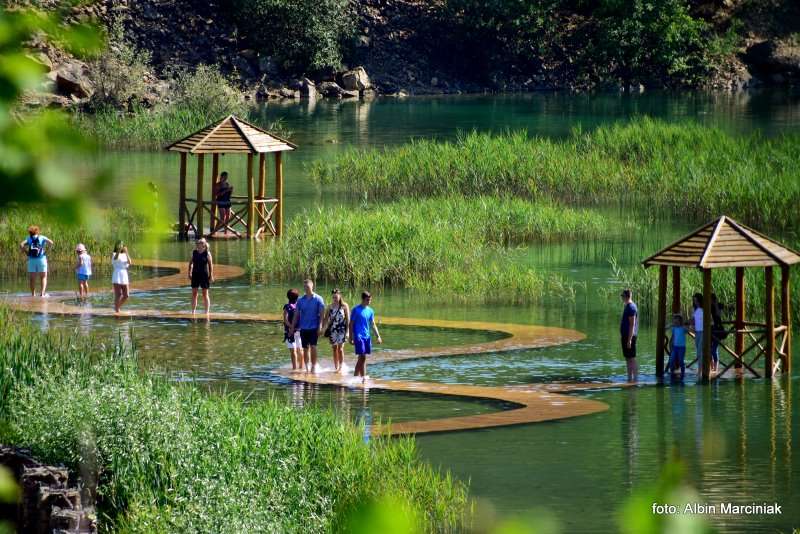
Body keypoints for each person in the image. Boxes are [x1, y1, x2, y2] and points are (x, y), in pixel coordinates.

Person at [290, 279, 325, 373]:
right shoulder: (301, 300)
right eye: (304, 287)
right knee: (305, 348)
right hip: (304, 328)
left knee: (313, 347)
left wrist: (320, 326)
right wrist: (292, 328)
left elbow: (322, 314)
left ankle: (313, 367)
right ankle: (307, 367)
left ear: (312, 286)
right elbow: (296, 315)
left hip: (314, 327)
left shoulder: (318, 299)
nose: (306, 289)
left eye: (308, 287)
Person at [349, 291, 382, 383]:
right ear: (363, 299)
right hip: (358, 336)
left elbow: (373, 324)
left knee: (362, 358)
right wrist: (350, 337)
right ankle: (359, 377)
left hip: (367, 336)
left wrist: (378, 336)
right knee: (362, 356)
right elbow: (351, 324)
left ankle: (359, 377)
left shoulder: (370, 311)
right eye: (368, 300)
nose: (369, 301)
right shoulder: (356, 310)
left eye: (370, 300)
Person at [20, 225, 54, 297]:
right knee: (43, 277)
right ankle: (42, 294)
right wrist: (47, 251)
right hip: (41, 259)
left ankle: (33, 294)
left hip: (31, 260)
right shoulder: (42, 237)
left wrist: (26, 252)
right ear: (37, 231)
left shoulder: (29, 238)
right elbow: (51, 242)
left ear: (30, 232)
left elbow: (21, 244)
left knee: (32, 278)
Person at [322, 289, 350, 373]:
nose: (335, 298)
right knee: (334, 348)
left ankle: (341, 367)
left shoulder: (344, 306)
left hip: (342, 330)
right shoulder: (329, 307)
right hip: (332, 330)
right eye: (333, 297)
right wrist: (323, 329)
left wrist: (348, 332)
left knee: (340, 349)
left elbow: (348, 320)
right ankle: (336, 367)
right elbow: (326, 320)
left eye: (336, 296)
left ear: (340, 295)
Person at [188, 238, 214, 314]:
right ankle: (193, 311)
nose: (199, 244)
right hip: (195, 274)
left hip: (204, 275)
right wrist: (189, 273)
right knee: (194, 293)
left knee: (205, 293)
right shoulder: (194, 252)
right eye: (198, 243)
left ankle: (206, 312)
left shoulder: (207, 253)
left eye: (201, 242)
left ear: (204, 244)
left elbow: (210, 265)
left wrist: (211, 275)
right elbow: (190, 263)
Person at [620, 288, 638, 383]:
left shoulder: (631, 307)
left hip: (629, 336)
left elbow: (632, 324)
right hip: (626, 336)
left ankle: (634, 379)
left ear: (627, 297)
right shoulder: (627, 306)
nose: (621, 298)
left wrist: (629, 339)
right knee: (628, 358)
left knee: (631, 358)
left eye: (622, 296)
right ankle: (629, 378)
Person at [283, 289, 302, 370]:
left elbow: (285, 320)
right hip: (299, 330)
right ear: (297, 297)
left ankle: (295, 369)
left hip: (289, 332)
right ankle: (301, 367)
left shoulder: (287, 307)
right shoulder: (299, 306)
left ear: (288, 297)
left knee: (293, 351)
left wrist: (291, 327)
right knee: (300, 350)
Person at [112, 241, 132, 313]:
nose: (121, 247)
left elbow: (130, 262)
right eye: (119, 245)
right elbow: (115, 259)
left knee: (126, 295)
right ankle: (117, 310)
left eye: (122, 245)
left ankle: (117, 307)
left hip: (124, 274)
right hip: (117, 273)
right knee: (118, 294)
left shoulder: (124, 254)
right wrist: (118, 251)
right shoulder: (114, 254)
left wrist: (126, 252)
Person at [668, 313, 687, 380]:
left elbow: (690, 330)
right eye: (675, 321)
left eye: (677, 321)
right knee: (671, 360)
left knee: (681, 361)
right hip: (675, 347)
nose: (676, 323)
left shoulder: (683, 328)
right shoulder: (674, 328)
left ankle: (683, 373)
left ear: (680, 321)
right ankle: (672, 373)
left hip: (682, 348)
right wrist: (671, 325)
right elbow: (666, 328)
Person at [710, 293, 725, 373]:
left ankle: (716, 368)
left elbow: (719, 315)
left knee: (714, 350)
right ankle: (711, 367)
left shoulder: (719, 305)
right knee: (709, 350)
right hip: (710, 329)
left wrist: (715, 305)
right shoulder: (709, 307)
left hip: (718, 329)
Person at [691, 293, 704, 373]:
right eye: (694, 300)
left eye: (696, 300)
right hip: (697, 333)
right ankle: (701, 368)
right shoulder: (696, 310)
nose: (695, 302)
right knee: (698, 352)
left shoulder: (704, 309)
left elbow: (710, 321)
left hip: (703, 332)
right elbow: (693, 320)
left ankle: (700, 370)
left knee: (700, 351)